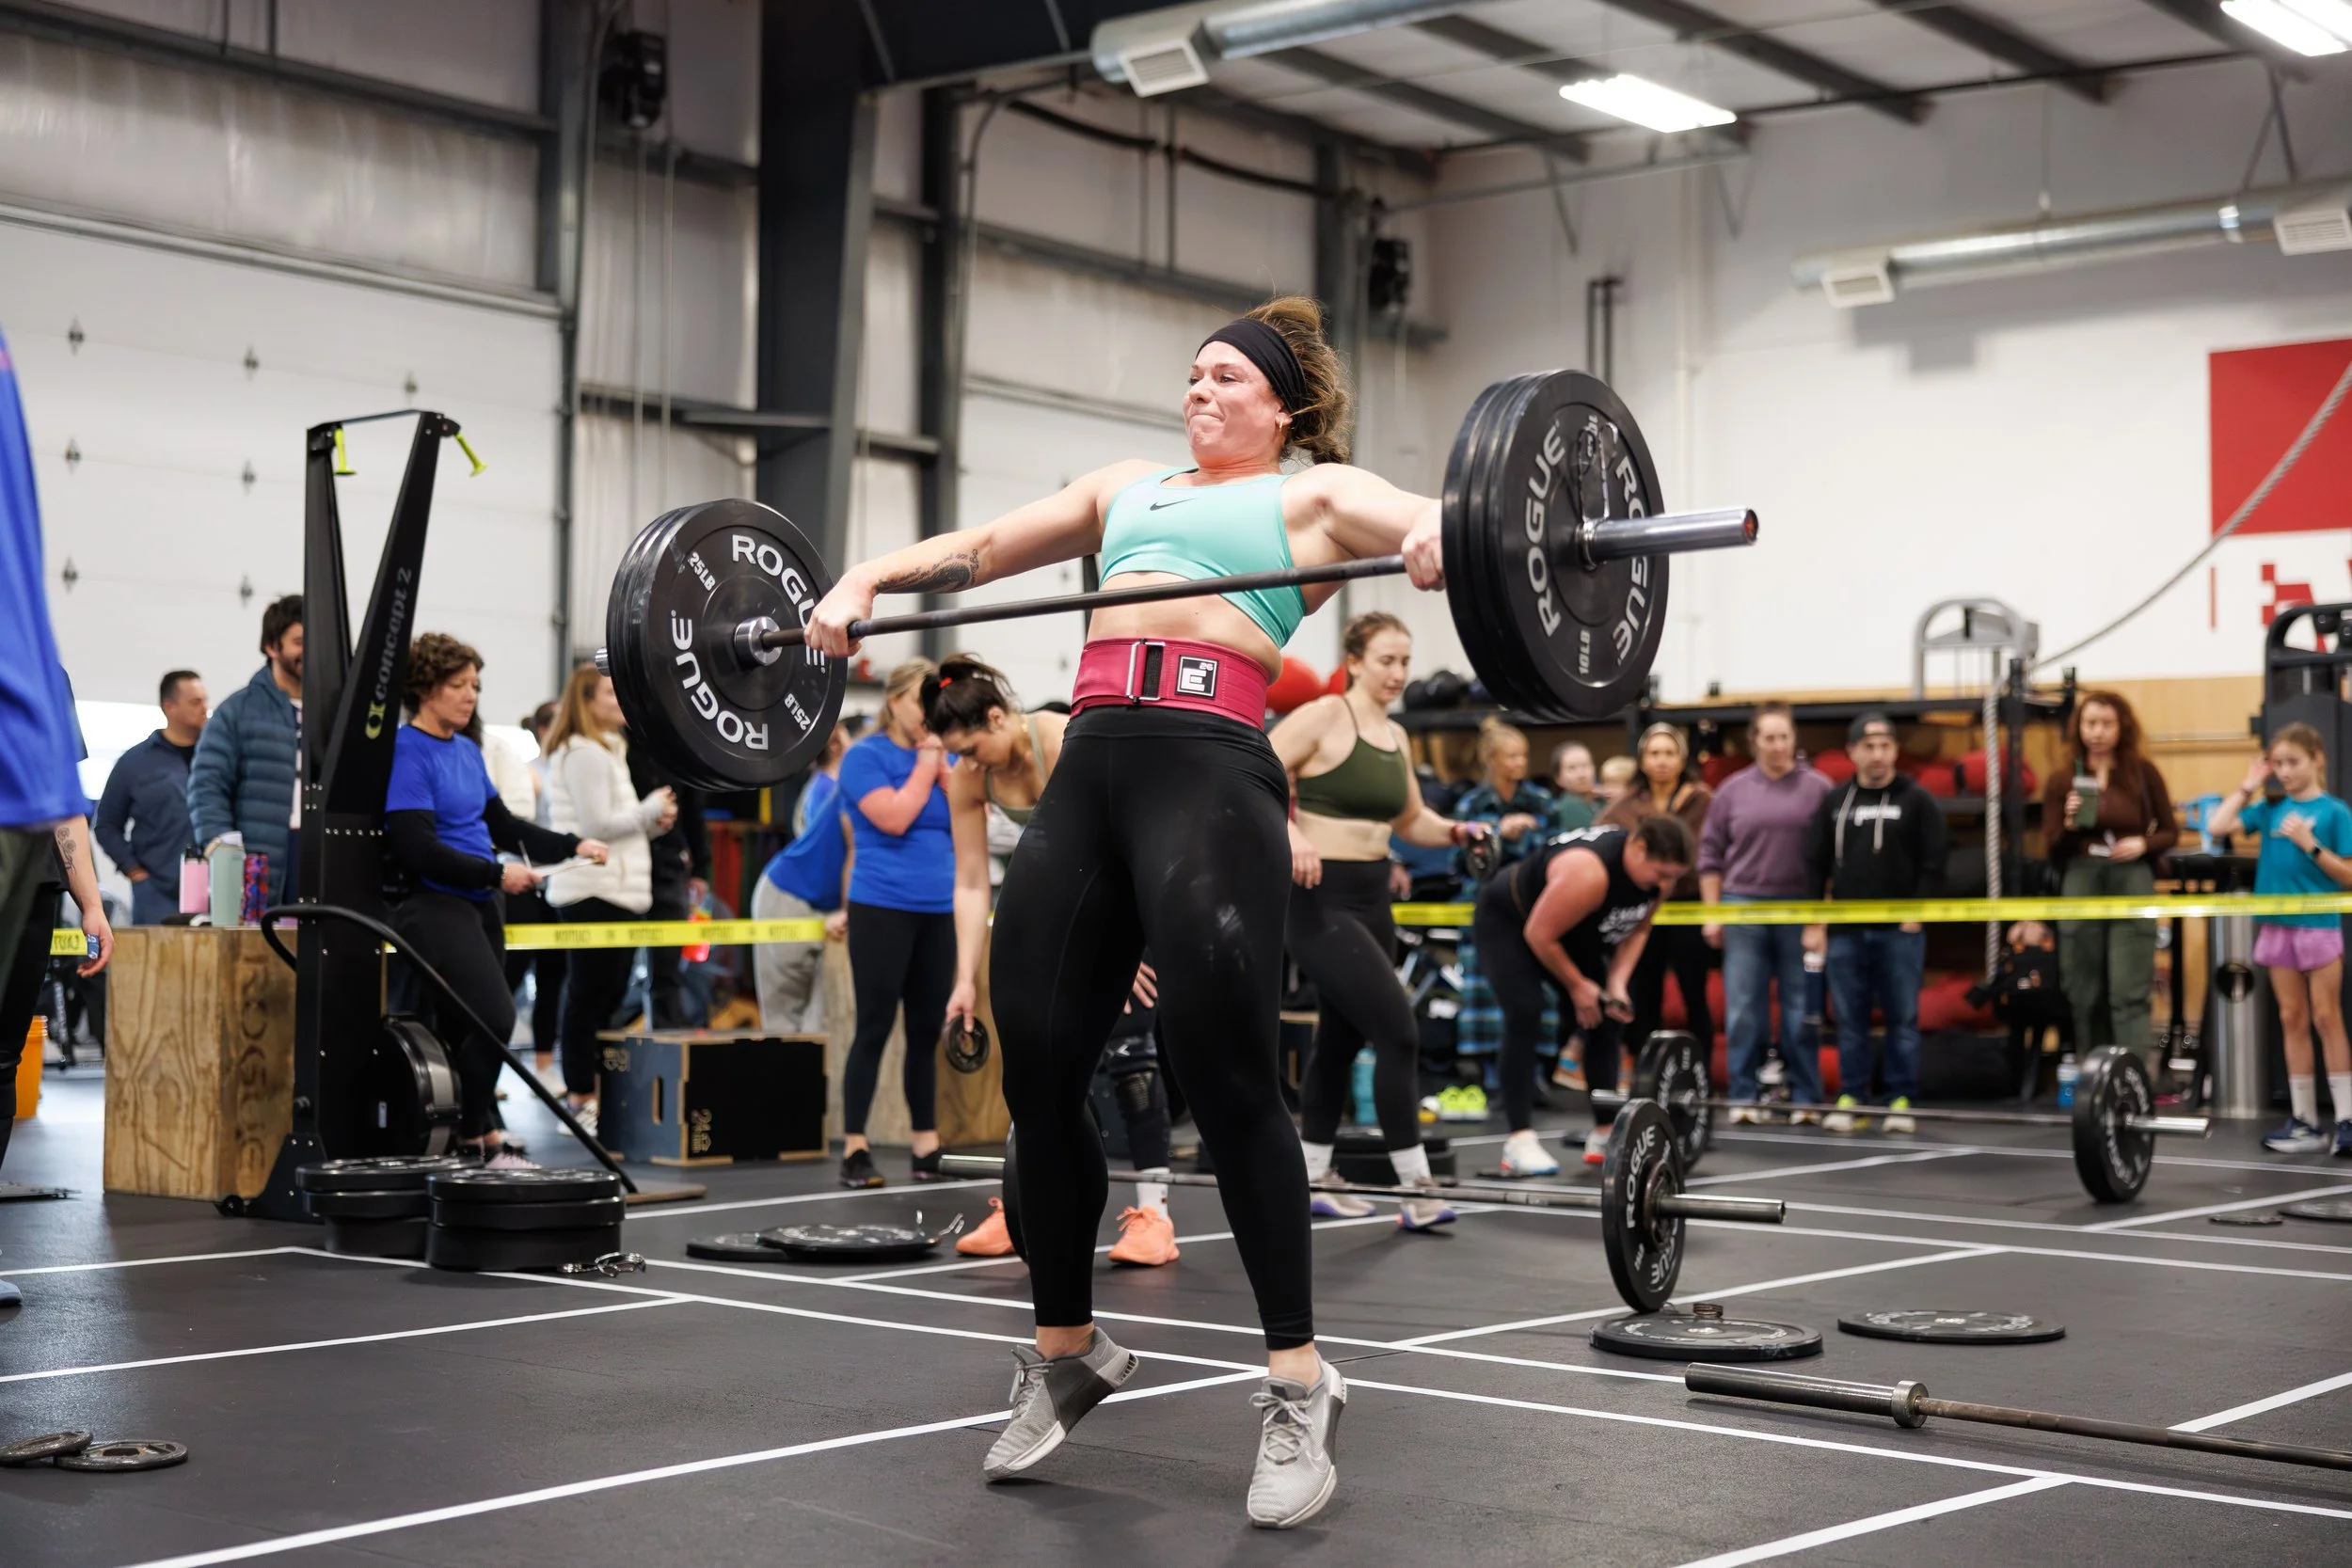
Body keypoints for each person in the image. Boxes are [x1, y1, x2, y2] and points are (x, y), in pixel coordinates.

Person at [806, 296, 1446, 1527]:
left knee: (1229, 1070)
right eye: (1193, 374)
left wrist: (1432, 538)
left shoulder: (1311, 496)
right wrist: (864, 575)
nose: (1200, 390)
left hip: (1210, 764)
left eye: (1226, 377)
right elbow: (986, 545)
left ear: (1283, 406)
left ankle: (1301, 1382)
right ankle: (1070, 1350)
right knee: (1039, 1069)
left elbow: (1428, 515)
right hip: (1092, 761)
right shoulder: (1123, 488)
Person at [923, 656, 1175, 1265]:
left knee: (1131, 1059)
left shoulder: (1064, 741)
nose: (972, 763)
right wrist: (964, 979)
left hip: (1119, 896)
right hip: (1045, 908)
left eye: (976, 747)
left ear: (999, 715)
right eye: (961, 754)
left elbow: (1129, 847)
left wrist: (1123, 949)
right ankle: (1022, 1204)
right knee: (1034, 1062)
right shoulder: (967, 775)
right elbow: (972, 882)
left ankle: (1156, 1219)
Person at [1273, 611, 1487, 1230]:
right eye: (1386, 660)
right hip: (1319, 899)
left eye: (1404, 661)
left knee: (1339, 1041)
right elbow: (1255, 770)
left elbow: (1410, 820)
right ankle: (1416, 1187)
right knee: (1399, 1032)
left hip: (1373, 900)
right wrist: (1289, 831)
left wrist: (1456, 831)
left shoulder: (1397, 736)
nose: (1397, 673)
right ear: (1357, 660)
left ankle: (1314, 1173)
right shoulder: (1322, 715)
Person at [382, 633, 605, 1164]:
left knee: (471, 1025)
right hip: (435, 902)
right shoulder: (405, 750)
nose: (470, 695)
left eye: (475, 685)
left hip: (480, 901)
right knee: (495, 1018)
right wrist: (495, 875)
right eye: (458, 685)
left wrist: (572, 843)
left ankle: (477, 1132)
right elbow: (415, 846)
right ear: (426, 688)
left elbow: (501, 824)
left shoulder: (465, 750)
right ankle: (467, 1132)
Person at [1471, 817, 1695, 1173]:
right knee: (1525, 1011)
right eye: (1661, 873)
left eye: (1673, 876)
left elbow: (1639, 927)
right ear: (1638, 848)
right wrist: (1578, 986)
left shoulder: (1657, 878)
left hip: (1572, 930)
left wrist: (1617, 984)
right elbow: (1539, 935)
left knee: (1607, 1014)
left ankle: (1605, 1133)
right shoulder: (1588, 873)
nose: (1666, 884)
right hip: (1513, 922)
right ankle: (1518, 1140)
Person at [834, 658, 958, 1191]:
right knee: (875, 1026)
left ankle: (925, 1142)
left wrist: (946, 766)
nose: (928, 713)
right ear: (893, 701)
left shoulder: (945, 754)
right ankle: (855, 1146)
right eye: (918, 701)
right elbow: (895, 817)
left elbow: (970, 820)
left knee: (926, 1029)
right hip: (881, 906)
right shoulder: (865, 757)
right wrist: (931, 761)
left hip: (938, 908)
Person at [2204, 724, 2352, 1155]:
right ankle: (2305, 1121)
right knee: (2291, 1017)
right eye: (2279, 764)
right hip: (2277, 926)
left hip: (2319, 925)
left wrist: (2310, 845)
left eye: (2294, 762)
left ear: (2317, 759)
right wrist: (2248, 785)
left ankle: (2345, 1118)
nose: (2285, 772)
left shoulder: (2334, 813)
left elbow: (2349, 875)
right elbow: (2217, 824)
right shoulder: (2269, 809)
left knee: (2327, 1017)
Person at [540, 664, 677, 1124]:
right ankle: (580, 1095)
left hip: (617, 893)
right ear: (586, 701)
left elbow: (616, 827)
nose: (620, 701)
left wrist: (650, 824)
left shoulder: (608, 750)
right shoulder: (585, 755)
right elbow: (595, 827)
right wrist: (649, 810)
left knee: (606, 997)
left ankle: (592, 1091)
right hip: (592, 892)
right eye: (609, 693)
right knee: (589, 997)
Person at [1803, 713, 1946, 1134]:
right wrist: (1816, 919)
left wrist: (1917, 911)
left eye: (1885, 746)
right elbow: (1815, 864)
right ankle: (1853, 1096)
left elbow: (1935, 863)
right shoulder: (1834, 802)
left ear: (1896, 751)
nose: (1877, 754)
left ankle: (1900, 1098)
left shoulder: (1918, 801)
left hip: (1899, 933)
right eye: (1869, 746)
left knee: (1902, 1017)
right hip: (1845, 931)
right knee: (1850, 1019)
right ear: (1853, 752)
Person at [1699, 704, 1831, 1123]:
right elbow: (1710, 856)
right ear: (1754, 741)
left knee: (1801, 1009)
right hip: (1743, 908)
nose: (1778, 746)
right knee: (1742, 1010)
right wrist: (1712, 913)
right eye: (1769, 738)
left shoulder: (1820, 788)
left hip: (1800, 908)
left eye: (1785, 737)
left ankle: (1806, 1098)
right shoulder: (1731, 791)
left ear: (1795, 739)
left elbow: (1832, 861)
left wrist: (1820, 919)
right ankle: (1743, 1096)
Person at [2041, 692, 2177, 1073]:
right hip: (2081, 878)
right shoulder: (2062, 779)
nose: (2098, 732)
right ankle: (2094, 1076)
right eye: (2090, 723)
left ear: (2122, 728)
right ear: (2079, 728)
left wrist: (2143, 843)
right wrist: (2069, 824)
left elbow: (2170, 831)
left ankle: (2132, 1077)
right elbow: (2051, 847)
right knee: (2084, 988)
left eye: (2107, 724)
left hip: (2131, 878)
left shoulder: (2142, 774)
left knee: (2129, 987)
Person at [1449, 718, 1560, 1119]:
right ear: (1493, 762)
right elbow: (1458, 861)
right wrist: (1497, 833)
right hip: (1483, 911)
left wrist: (1526, 834)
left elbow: (1554, 853)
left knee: (1537, 997)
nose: (1520, 763)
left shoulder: (1541, 802)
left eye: (1524, 756)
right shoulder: (1472, 806)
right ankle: (1493, 1079)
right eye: (1512, 756)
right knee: (1483, 995)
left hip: (1532, 910)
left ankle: (1534, 1077)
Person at [1602, 723, 1715, 1087]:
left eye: (1669, 753)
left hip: (1689, 908)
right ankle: (1644, 1081)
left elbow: (1717, 851)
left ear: (1682, 759)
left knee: (1694, 996)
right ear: (1642, 760)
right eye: (1654, 753)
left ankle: (1701, 1080)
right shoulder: (1626, 805)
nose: (1662, 761)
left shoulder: (1703, 800)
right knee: (1642, 996)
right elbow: (1606, 841)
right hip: (1640, 913)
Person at [187, 594, 302, 904]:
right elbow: (206, 786)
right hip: (258, 864)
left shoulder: (336, 712)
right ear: (271, 647)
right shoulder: (237, 711)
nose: (310, 651)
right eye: (299, 642)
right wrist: (225, 852)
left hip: (322, 861)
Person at [754, 721, 850, 1039]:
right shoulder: (828, 788)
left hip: (830, 905)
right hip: (791, 895)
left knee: (824, 1022)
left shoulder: (832, 785)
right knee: (785, 1022)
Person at [95, 670, 207, 925]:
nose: (205, 708)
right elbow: (106, 825)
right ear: (170, 707)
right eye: (195, 702)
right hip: (157, 893)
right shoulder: (135, 763)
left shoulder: (217, 758)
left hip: (214, 889)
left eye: (205, 700)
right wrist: (134, 871)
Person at [625, 739, 709, 1029]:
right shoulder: (612, 745)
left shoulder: (678, 747)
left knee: (668, 969)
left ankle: (666, 1040)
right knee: (613, 971)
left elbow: (693, 814)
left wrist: (702, 868)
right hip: (623, 867)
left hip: (668, 867)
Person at [509, 699, 566, 1078]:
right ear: (545, 730)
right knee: (509, 978)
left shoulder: (570, 767)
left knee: (553, 979)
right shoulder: (526, 772)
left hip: (560, 886)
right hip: (526, 888)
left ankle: (545, 1068)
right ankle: (490, 1070)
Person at [1549, 741, 1598, 831]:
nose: (1581, 774)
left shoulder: (1602, 800)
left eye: (1585, 765)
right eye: (1572, 768)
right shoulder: (1568, 806)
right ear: (1558, 778)